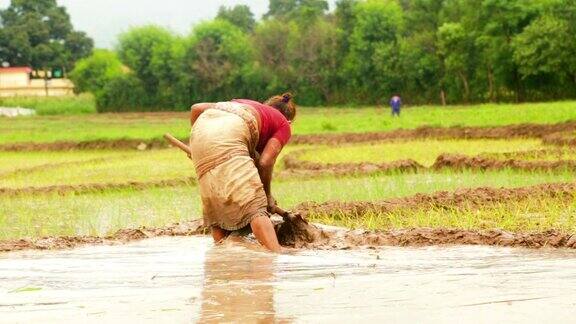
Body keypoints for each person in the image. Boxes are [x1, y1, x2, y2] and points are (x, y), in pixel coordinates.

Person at [189, 93, 297, 253]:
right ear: (288, 120)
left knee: (217, 208)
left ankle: (224, 258)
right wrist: (267, 196)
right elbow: (265, 162)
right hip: (232, 134)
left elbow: (196, 108)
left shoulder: (244, 105)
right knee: (255, 206)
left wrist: (197, 146)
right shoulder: (283, 124)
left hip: (200, 133)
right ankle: (275, 256)